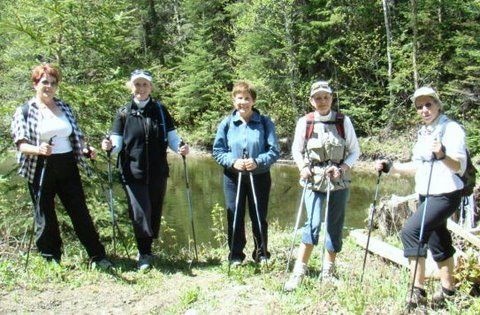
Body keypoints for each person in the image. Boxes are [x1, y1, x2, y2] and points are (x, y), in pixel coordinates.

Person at [10, 64, 111, 268]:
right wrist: (39, 149)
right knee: (45, 215)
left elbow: (75, 136)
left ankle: (97, 257)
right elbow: (21, 144)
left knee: (80, 211)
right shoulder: (25, 111)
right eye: (44, 82)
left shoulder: (64, 107)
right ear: (35, 84)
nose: (49, 86)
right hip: (40, 165)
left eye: (53, 83)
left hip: (67, 164)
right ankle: (51, 259)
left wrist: (85, 149)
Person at [375, 86, 466, 308]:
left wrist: (442, 154)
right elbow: (418, 165)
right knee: (438, 240)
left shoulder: (452, 129)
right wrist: (391, 166)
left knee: (411, 231)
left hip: (446, 193)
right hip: (426, 194)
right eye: (419, 107)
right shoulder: (424, 132)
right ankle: (448, 291)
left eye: (428, 104)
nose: (424, 110)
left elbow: (459, 167)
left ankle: (418, 291)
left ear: (437, 104)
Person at [101, 69, 189, 270]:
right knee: (140, 212)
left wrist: (181, 148)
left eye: (145, 84)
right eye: (137, 84)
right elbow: (116, 142)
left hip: (158, 171)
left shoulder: (160, 110)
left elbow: (173, 138)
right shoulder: (123, 113)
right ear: (131, 87)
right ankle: (144, 253)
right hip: (132, 171)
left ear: (151, 87)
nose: (141, 88)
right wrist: (108, 147)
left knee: (154, 210)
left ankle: (147, 249)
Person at [284, 80, 360, 291]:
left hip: (338, 181)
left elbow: (355, 151)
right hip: (313, 180)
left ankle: (328, 270)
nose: (322, 101)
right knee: (313, 223)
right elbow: (297, 150)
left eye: (326, 97)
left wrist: (343, 167)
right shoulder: (305, 122)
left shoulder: (343, 121)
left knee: (335, 225)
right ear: (311, 100)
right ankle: (299, 270)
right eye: (318, 98)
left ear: (331, 98)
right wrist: (303, 167)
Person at [212, 81, 280, 266]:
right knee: (234, 214)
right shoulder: (227, 123)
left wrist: (257, 161)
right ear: (234, 100)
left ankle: (262, 253)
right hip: (233, 177)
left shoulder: (264, 122)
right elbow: (218, 151)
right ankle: (235, 255)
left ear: (253, 101)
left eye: (247, 98)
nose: (243, 102)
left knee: (259, 215)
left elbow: (274, 151)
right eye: (239, 98)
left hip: (259, 176)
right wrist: (233, 161)